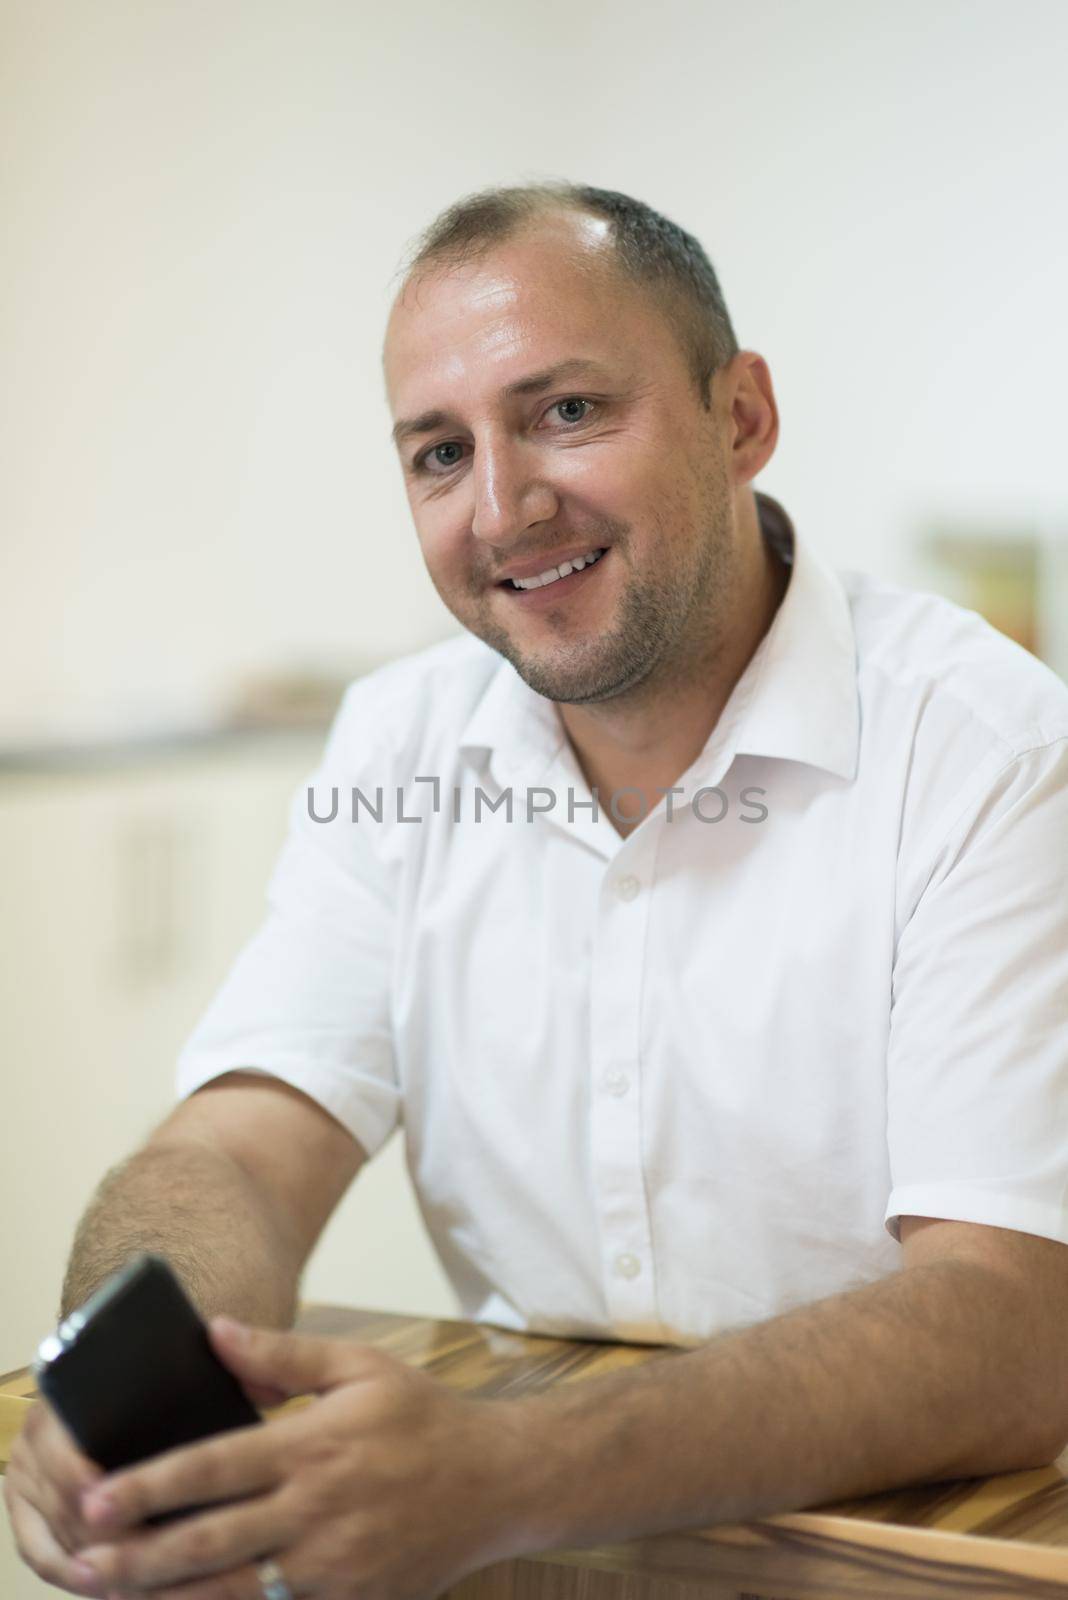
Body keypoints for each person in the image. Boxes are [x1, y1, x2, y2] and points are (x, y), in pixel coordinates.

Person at [8, 180, 1068, 1600]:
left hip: (915, 1558)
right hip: (542, 1558)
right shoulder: (404, 741)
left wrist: (515, 1473)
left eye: (567, 411)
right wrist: (136, 1397)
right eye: (440, 453)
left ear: (740, 416)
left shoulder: (988, 747)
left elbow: (1011, 1326)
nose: (503, 507)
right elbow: (241, 1149)